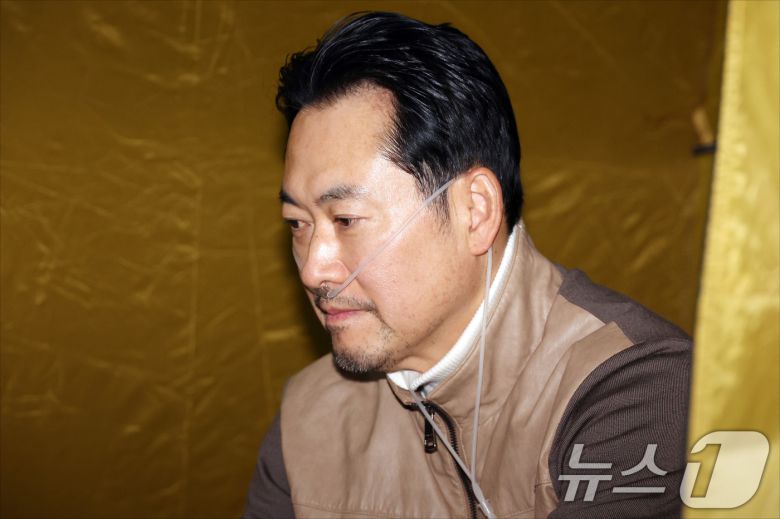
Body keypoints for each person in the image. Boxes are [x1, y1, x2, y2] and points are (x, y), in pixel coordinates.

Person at [244, 11, 691, 519]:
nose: (312, 270)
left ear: (474, 211)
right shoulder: (307, 418)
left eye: (346, 219)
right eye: (297, 224)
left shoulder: (638, 387)